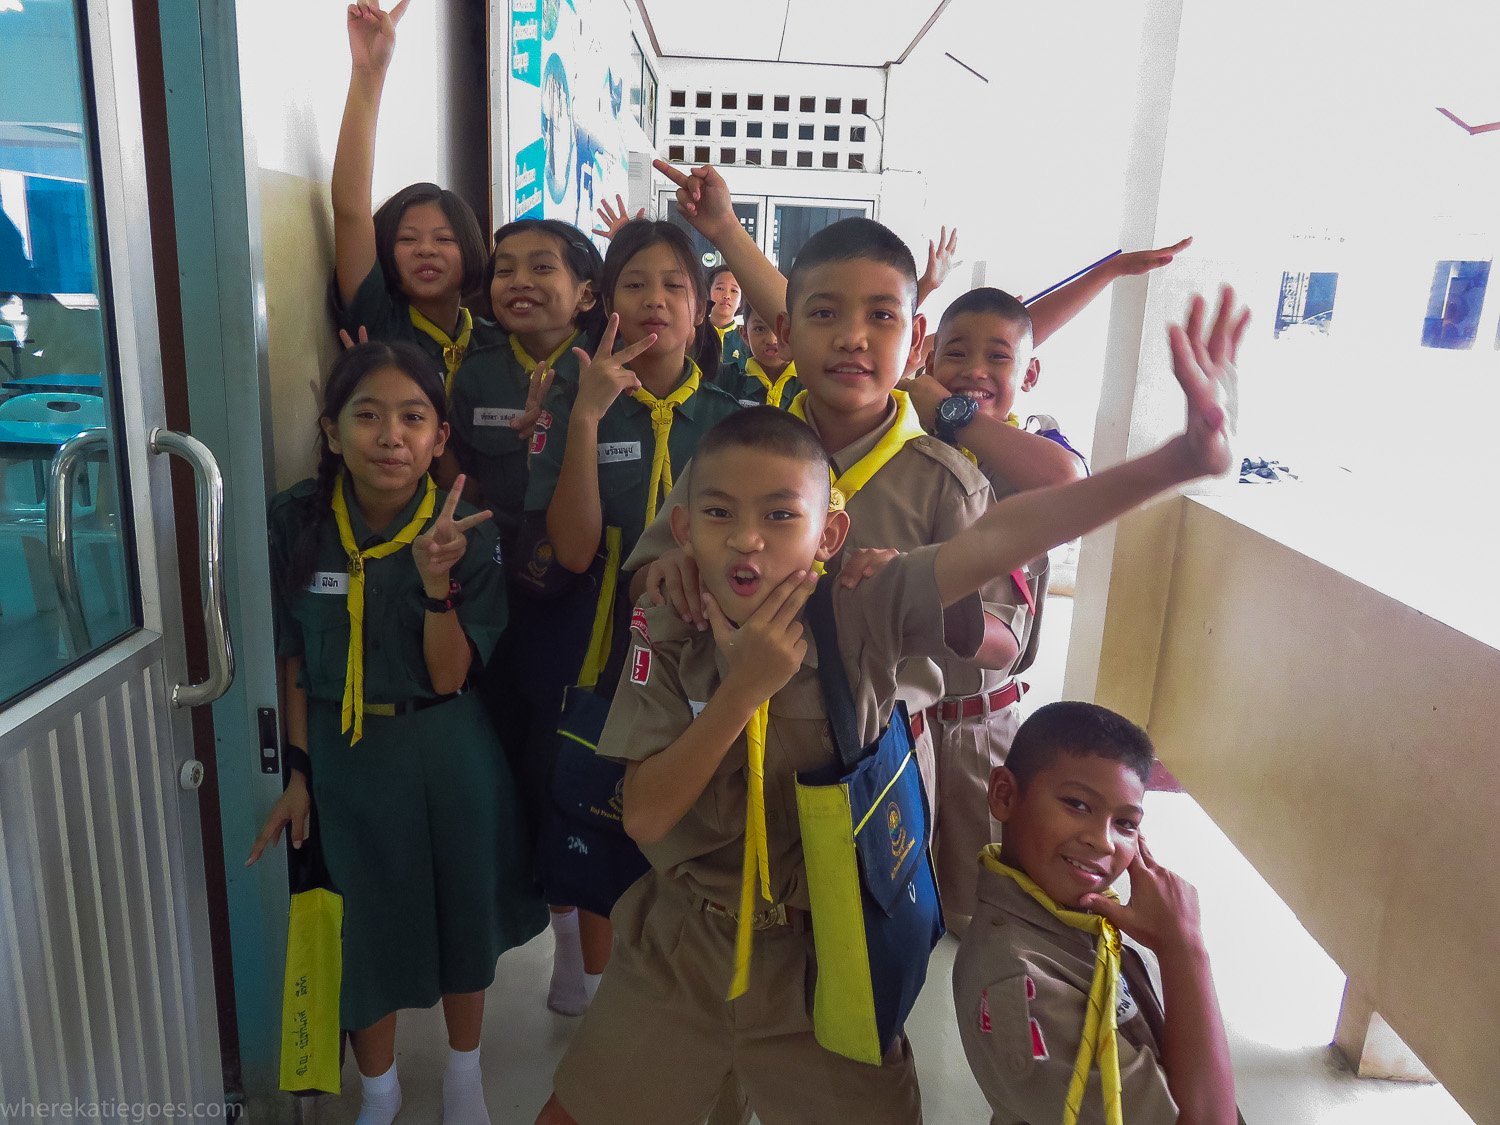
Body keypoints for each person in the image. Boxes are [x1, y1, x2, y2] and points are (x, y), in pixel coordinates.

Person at [533, 282, 1245, 1122]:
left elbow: (1006, 536)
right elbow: (647, 816)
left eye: (781, 514)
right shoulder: (671, 618)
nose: (749, 539)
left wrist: (1178, 462)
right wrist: (743, 689)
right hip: (683, 942)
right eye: (719, 513)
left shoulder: (859, 604)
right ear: (683, 526)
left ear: (828, 534)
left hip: (825, 955)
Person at [631, 162, 1063, 929]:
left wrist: (931, 585)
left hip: (878, 759)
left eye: (882, 318)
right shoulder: (739, 453)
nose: (853, 339)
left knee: (869, 952)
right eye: (825, 315)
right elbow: (656, 571)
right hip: (739, 740)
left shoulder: (947, 481)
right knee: (741, 916)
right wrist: (671, 562)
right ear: (789, 332)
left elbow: (1002, 642)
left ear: (916, 338)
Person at [247, 340, 545, 1125]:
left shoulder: (465, 528)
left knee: (463, 911)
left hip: (446, 747)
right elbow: (291, 658)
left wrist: (438, 584)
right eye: (368, 415)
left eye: (414, 418)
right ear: (331, 429)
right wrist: (300, 772)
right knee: (363, 925)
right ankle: (379, 1088)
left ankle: (464, 1076)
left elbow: (450, 677)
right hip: (347, 760)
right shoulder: (294, 522)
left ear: (440, 439)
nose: (390, 435)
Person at [523, 219, 740, 1009]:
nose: (654, 301)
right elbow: (572, 550)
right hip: (602, 653)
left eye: (674, 286)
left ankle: (676, 996)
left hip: (706, 655)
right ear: (605, 301)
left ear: (702, 310)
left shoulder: (729, 416)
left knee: (693, 826)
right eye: (634, 284)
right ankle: (604, 993)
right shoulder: (578, 405)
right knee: (600, 818)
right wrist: (583, 419)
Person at [440, 217, 610, 1017]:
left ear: (585, 292)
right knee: (506, 763)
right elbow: (459, 478)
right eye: (506, 267)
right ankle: (539, 926)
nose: (519, 281)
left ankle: (575, 950)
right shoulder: (473, 378)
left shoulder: (604, 372)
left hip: (577, 604)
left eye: (543, 267)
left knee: (562, 770)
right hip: (489, 603)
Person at [899, 287, 1091, 926]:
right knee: (902, 891)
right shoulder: (911, 436)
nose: (975, 369)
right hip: (907, 723)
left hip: (982, 722)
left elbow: (1066, 482)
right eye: (954, 353)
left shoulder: (1030, 448)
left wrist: (954, 412)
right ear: (927, 355)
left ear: (1030, 374)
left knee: (980, 903)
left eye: (998, 358)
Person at [952, 702, 1236, 1124]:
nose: (1104, 843)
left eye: (1125, 824)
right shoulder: (1017, 982)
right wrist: (1185, 949)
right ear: (1005, 795)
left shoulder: (1078, 916)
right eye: (1078, 805)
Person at [330, 0, 495, 388]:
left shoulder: (499, 341)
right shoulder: (380, 323)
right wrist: (369, 74)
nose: (426, 250)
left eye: (444, 238)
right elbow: (351, 209)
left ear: (471, 247)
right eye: (407, 239)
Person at [715, 305, 802, 408]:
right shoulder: (726, 382)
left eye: (782, 329)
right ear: (744, 335)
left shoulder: (811, 386)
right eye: (760, 329)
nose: (771, 340)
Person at [707, 264, 749, 378]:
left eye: (734, 291)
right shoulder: (694, 334)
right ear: (708, 293)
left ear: (741, 301)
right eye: (720, 288)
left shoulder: (747, 339)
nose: (727, 296)